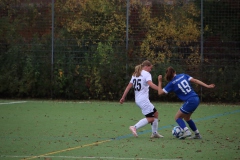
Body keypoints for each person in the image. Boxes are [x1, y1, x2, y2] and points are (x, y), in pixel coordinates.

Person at [158, 66, 215, 139]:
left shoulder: (171, 83)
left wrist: (160, 81)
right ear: (175, 72)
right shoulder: (183, 75)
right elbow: (195, 81)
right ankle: (197, 134)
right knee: (187, 118)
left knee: (177, 117)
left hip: (190, 101)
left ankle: (186, 131)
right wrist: (207, 86)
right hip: (196, 98)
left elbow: (160, 92)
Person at [120, 60, 163, 138]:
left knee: (155, 113)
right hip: (143, 100)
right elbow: (151, 85)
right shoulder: (147, 74)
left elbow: (128, 87)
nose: (150, 70)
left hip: (138, 100)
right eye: (150, 68)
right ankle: (134, 127)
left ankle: (154, 133)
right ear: (146, 67)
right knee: (151, 118)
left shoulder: (135, 74)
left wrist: (123, 97)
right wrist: (160, 89)